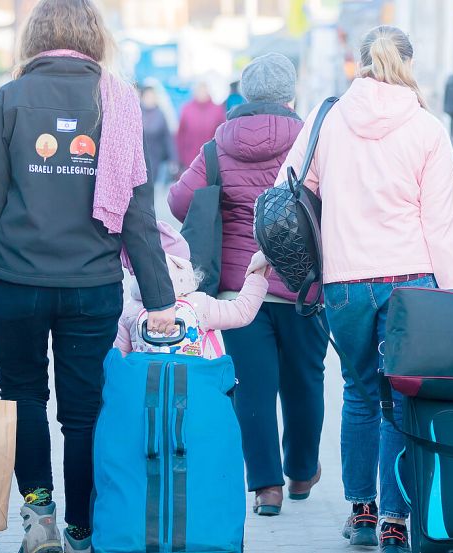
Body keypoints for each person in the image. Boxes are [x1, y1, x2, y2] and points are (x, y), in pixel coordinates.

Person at [0, 1, 177, 552]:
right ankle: (83, 528)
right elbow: (137, 213)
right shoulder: (115, 100)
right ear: (94, 38)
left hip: (13, 283)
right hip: (91, 287)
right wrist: (160, 300)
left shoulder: (8, 100)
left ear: (35, 39)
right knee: (85, 409)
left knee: (22, 396)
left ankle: (39, 514)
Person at [276, 26, 453, 553]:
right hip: (410, 280)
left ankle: (361, 513)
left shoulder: (330, 119)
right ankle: (394, 519)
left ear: (359, 63)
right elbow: (442, 225)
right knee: (398, 400)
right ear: (408, 63)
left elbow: (288, 192)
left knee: (360, 396)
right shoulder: (427, 128)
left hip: (344, 283)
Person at [168, 53, 330, 517]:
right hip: (304, 287)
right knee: (305, 381)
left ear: (244, 93)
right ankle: (301, 472)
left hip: (240, 290)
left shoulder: (217, 147)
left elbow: (180, 201)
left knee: (251, 386)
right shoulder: (312, 142)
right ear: (290, 95)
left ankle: (266, 489)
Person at [115, 221, 270, 356]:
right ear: (186, 267)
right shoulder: (200, 304)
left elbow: (119, 359)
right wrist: (257, 276)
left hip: (147, 387)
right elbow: (242, 311)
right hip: (198, 387)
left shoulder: (130, 310)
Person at [176, 82, 226, 169]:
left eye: (204, 90)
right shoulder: (186, 109)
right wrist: (180, 158)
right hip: (190, 159)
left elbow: (223, 135)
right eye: (199, 91)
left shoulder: (217, 109)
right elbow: (180, 135)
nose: (202, 93)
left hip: (211, 159)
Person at [141, 85, 176, 186]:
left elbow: (167, 137)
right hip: (139, 158)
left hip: (155, 158)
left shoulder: (160, 114)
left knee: (153, 186)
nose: (150, 99)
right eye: (148, 96)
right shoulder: (136, 112)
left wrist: (173, 158)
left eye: (153, 97)